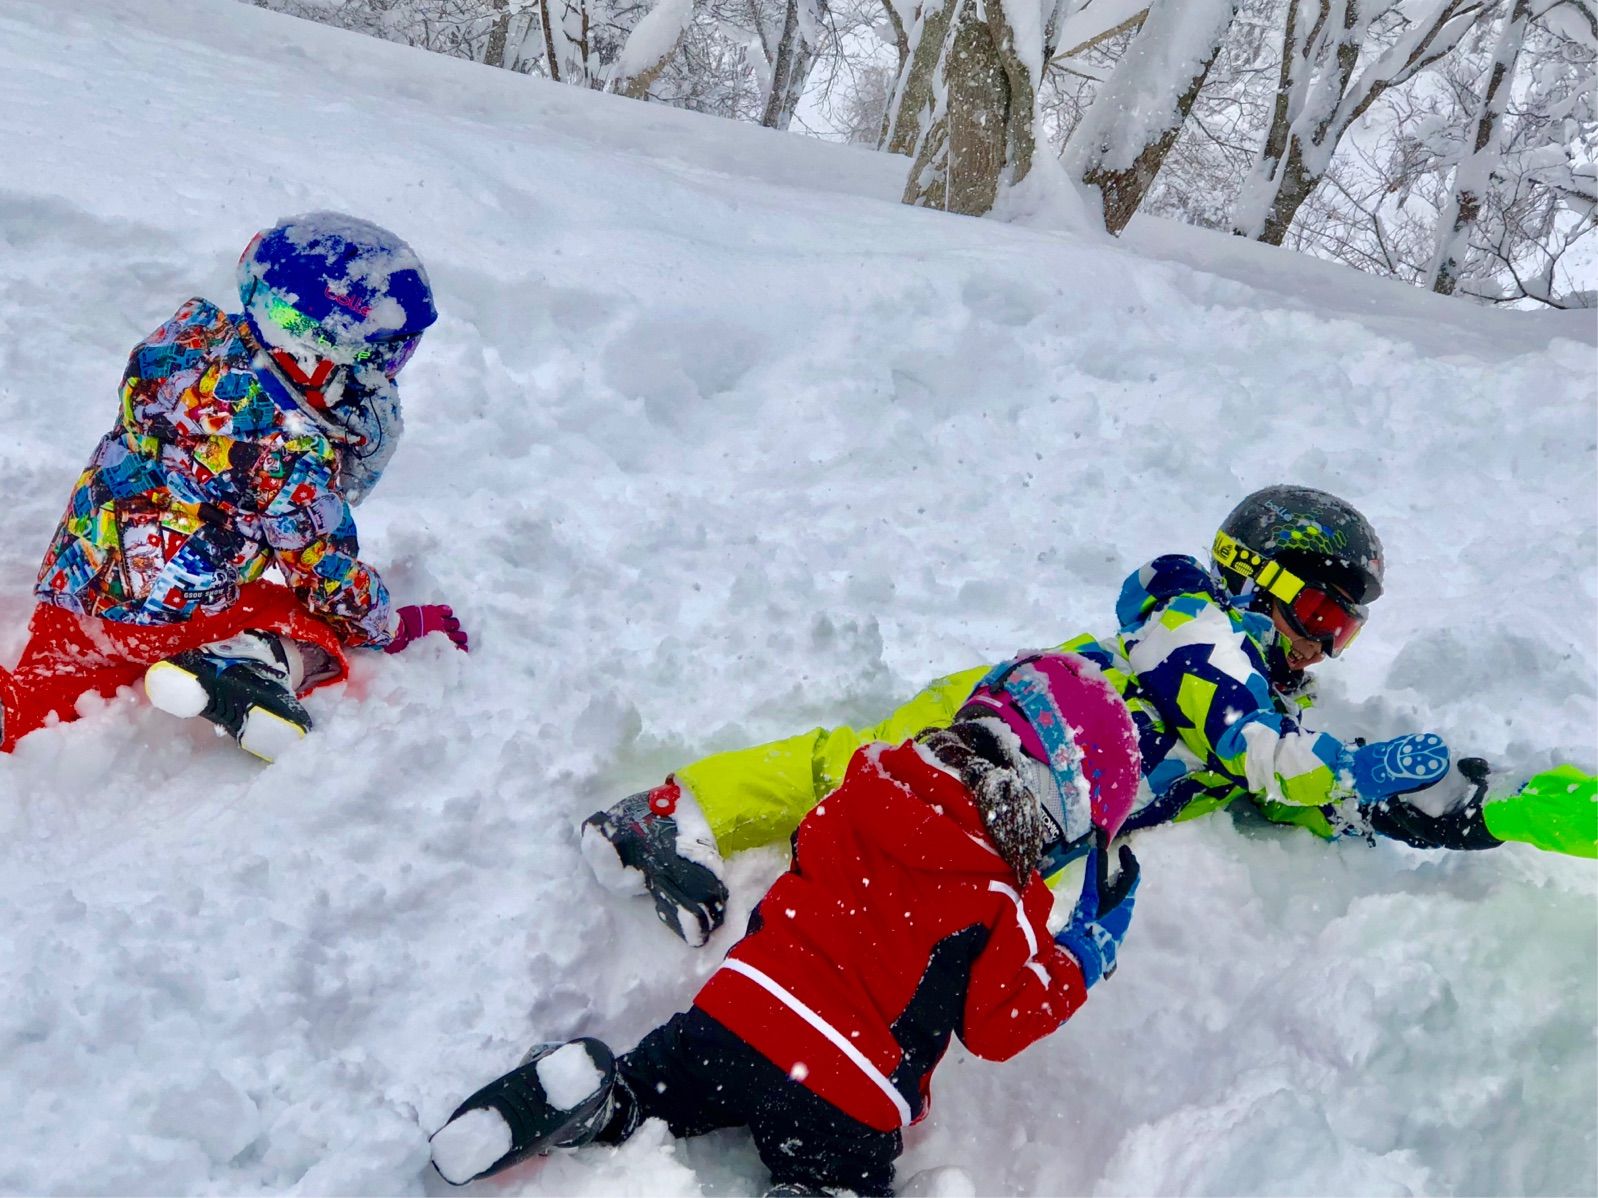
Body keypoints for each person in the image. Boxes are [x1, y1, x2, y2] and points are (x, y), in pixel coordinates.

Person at [582, 484, 1591, 947]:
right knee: (860, 770)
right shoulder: (1185, 608)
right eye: (1319, 615)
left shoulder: (1275, 731)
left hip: (1041, 817)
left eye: (1343, 634)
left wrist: (1509, 804)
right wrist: (1304, 766)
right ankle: (666, 815)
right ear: (1255, 576)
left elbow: (1338, 798)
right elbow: (1231, 716)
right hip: (1012, 721)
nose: (1322, 648)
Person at [429, 651, 1145, 1197]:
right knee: (838, 1176)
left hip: (732, 1020)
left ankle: (599, 1101)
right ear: (1066, 810)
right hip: (844, 1091)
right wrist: (1082, 955)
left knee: (655, 1089)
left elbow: (812, 854)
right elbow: (997, 1026)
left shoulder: (863, 787)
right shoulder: (1004, 899)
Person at [0, 212, 468, 760]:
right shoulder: (294, 456)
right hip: (181, 613)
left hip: (77, 581)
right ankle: (244, 664)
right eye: (383, 354)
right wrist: (387, 626)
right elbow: (326, 580)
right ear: (317, 350)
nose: (388, 372)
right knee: (303, 622)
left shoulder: (183, 343)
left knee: (41, 699)